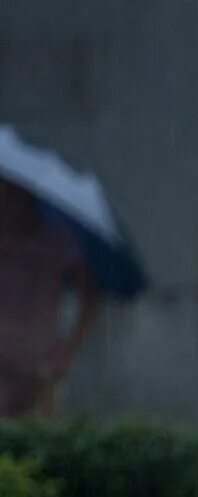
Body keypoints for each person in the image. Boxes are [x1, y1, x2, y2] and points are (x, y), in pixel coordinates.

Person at [0, 178, 98, 419]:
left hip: (39, 357)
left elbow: (90, 294)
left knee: (40, 430)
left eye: (12, 199)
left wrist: (69, 348)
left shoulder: (56, 242)